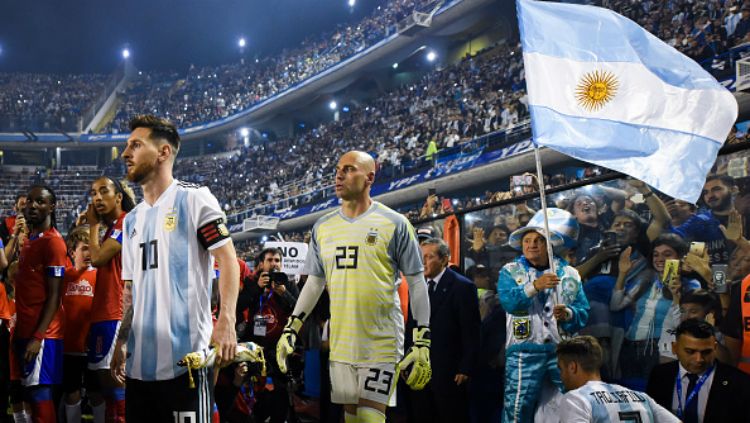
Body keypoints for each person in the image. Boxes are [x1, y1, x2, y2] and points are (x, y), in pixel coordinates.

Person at [276, 151, 431, 423]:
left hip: (381, 340)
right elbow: (314, 282)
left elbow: (417, 283)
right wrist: (292, 328)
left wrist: (422, 340)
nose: (339, 175)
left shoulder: (395, 223)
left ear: (370, 177)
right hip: (341, 341)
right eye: (338, 169)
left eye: (349, 169)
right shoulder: (323, 226)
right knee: (352, 419)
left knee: (371, 417)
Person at [110, 115, 240, 422]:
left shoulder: (194, 199)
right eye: (127, 146)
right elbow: (132, 291)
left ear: (163, 153)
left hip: (188, 361)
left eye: (136, 145)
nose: (125, 153)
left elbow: (228, 259)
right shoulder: (130, 221)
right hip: (139, 365)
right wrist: (122, 340)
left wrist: (227, 320)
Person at [497, 208, 589, 423]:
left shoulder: (570, 273)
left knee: (576, 399)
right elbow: (510, 303)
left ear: (551, 245)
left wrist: (568, 313)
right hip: (524, 351)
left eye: (538, 240)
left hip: (563, 349)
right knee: (517, 406)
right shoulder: (509, 271)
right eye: (527, 240)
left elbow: (583, 311)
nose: (531, 245)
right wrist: (534, 286)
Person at [611, 234, 701, 389]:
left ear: (680, 258)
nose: (659, 259)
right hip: (630, 347)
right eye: (656, 254)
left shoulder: (691, 285)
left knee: (656, 395)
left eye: (667, 254)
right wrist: (623, 273)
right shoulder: (646, 280)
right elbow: (616, 305)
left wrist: (676, 295)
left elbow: (684, 324)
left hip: (661, 350)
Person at [410, 237, 480, 423]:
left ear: (444, 259)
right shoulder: (417, 288)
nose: (422, 262)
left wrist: (465, 367)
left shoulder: (462, 287)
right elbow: (412, 327)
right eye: (420, 257)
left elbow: (471, 331)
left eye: (429, 256)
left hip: (449, 371)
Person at [13, 185, 67, 423]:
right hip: (26, 329)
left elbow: (55, 295)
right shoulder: (29, 240)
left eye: (40, 202)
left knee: (40, 393)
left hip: (43, 335)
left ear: (52, 207)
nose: (32, 206)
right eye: (30, 202)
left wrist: (38, 336)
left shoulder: (53, 243)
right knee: (29, 393)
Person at [84, 176, 135, 423]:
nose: (96, 198)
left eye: (103, 191)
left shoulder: (125, 223)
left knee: (115, 380)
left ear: (118, 197)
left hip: (115, 313)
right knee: (106, 385)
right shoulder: (113, 228)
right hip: (103, 313)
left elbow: (97, 259)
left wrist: (93, 226)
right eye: (93, 193)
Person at [235, 247, 299, 423]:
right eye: (270, 260)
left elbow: (298, 311)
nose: (274, 264)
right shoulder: (251, 282)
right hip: (256, 346)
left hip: (279, 349)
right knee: (256, 393)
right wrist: (256, 288)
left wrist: (283, 293)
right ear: (261, 264)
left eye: (277, 260)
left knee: (280, 395)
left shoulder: (288, 283)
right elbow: (239, 307)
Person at [647, 319, 750, 423]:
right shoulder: (660, 375)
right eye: (690, 352)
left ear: (714, 348)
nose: (699, 359)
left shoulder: (739, 383)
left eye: (706, 352)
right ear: (675, 348)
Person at [557, 335, 679, 423]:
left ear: (572, 367)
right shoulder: (641, 397)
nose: (561, 376)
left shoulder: (576, 399)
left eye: (561, 369)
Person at [61, 226, 103, 423]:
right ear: (72, 252)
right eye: (84, 248)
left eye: (91, 248)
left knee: (96, 394)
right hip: (69, 347)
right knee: (72, 393)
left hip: (93, 347)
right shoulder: (63, 277)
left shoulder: (100, 276)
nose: (88, 253)